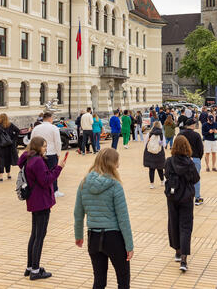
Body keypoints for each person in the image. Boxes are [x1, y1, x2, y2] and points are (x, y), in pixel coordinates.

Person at [74, 149, 133, 289]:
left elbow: (78, 213)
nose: (118, 165)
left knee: (99, 281)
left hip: (93, 237)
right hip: (113, 238)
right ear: (112, 164)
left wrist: (78, 236)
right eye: (117, 162)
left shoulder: (84, 183)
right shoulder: (115, 185)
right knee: (123, 279)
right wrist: (129, 245)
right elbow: (123, 218)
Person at [18, 136, 66, 280]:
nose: (46, 148)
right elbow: (45, 181)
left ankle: (30, 267)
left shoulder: (29, 158)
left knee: (34, 234)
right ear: (37, 147)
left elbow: (41, 177)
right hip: (41, 201)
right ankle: (35, 270)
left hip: (34, 200)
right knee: (39, 236)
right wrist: (59, 168)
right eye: (44, 146)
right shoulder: (38, 160)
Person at [164, 135, 200, 272]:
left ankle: (177, 251)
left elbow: (166, 175)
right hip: (186, 198)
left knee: (173, 223)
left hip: (172, 197)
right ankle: (184, 260)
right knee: (186, 227)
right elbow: (196, 179)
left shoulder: (169, 161)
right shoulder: (189, 163)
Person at [30, 112, 64, 198]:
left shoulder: (36, 128)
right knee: (53, 172)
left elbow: (32, 140)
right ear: (50, 118)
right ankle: (55, 190)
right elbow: (57, 142)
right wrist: (58, 153)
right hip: (51, 153)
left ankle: (40, 190)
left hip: (38, 153)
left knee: (39, 173)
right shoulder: (54, 128)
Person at [0, 113, 21, 182]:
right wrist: (13, 140)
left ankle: (1, 177)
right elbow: (18, 131)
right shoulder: (10, 125)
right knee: (7, 160)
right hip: (9, 146)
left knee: (0, 160)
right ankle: (8, 174)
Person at [144, 121, 166, 189]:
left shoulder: (149, 134)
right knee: (160, 168)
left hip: (150, 153)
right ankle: (162, 181)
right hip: (159, 152)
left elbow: (145, 143)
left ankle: (152, 184)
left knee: (151, 169)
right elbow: (164, 145)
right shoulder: (161, 134)